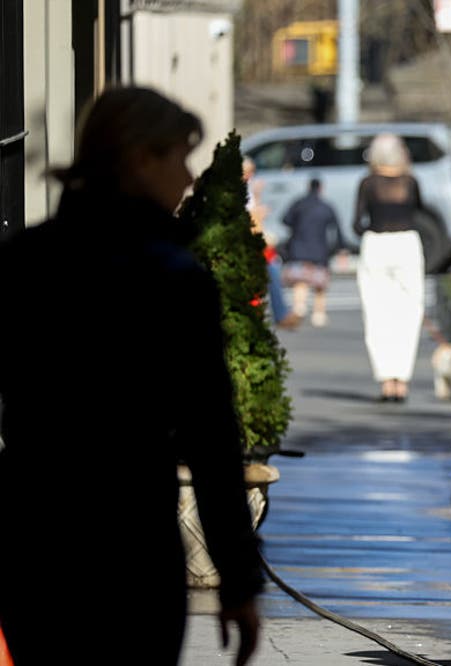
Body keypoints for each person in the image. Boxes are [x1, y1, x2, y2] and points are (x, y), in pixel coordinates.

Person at [0, 87, 263, 665]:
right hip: (131, 546)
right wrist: (239, 582)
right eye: (180, 157)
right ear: (140, 158)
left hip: (35, 544)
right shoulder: (170, 279)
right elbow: (211, 437)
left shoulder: (24, 262)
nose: (190, 176)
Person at [353, 133, 428, 403]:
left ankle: (386, 381)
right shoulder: (411, 182)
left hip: (376, 244)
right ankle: (402, 381)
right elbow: (419, 211)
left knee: (377, 311)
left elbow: (357, 222)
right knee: (408, 311)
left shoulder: (367, 183)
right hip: (406, 243)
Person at [244, 156, 301, 330]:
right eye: (248, 172)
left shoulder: (247, 188)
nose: (251, 175)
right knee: (269, 270)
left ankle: (270, 313)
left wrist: (257, 197)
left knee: (271, 269)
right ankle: (276, 313)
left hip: (252, 240)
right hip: (245, 241)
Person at [280, 177, 341, 328]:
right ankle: (319, 314)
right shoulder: (326, 206)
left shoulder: (298, 204)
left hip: (299, 247)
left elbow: (285, 220)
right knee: (319, 283)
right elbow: (336, 230)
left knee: (301, 281)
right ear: (321, 188)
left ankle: (299, 307)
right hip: (320, 249)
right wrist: (339, 248)